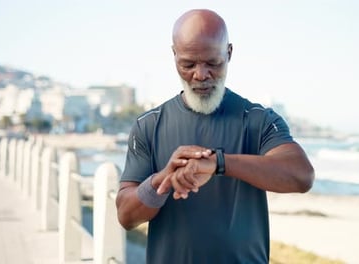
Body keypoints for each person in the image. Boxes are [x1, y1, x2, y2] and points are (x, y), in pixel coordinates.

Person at [116, 8, 315, 264]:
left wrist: (219, 163)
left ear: (229, 53)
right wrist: (161, 181)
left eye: (213, 63)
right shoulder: (148, 125)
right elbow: (126, 216)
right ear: (174, 55)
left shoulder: (258, 119)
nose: (200, 75)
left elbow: (301, 176)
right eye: (188, 64)